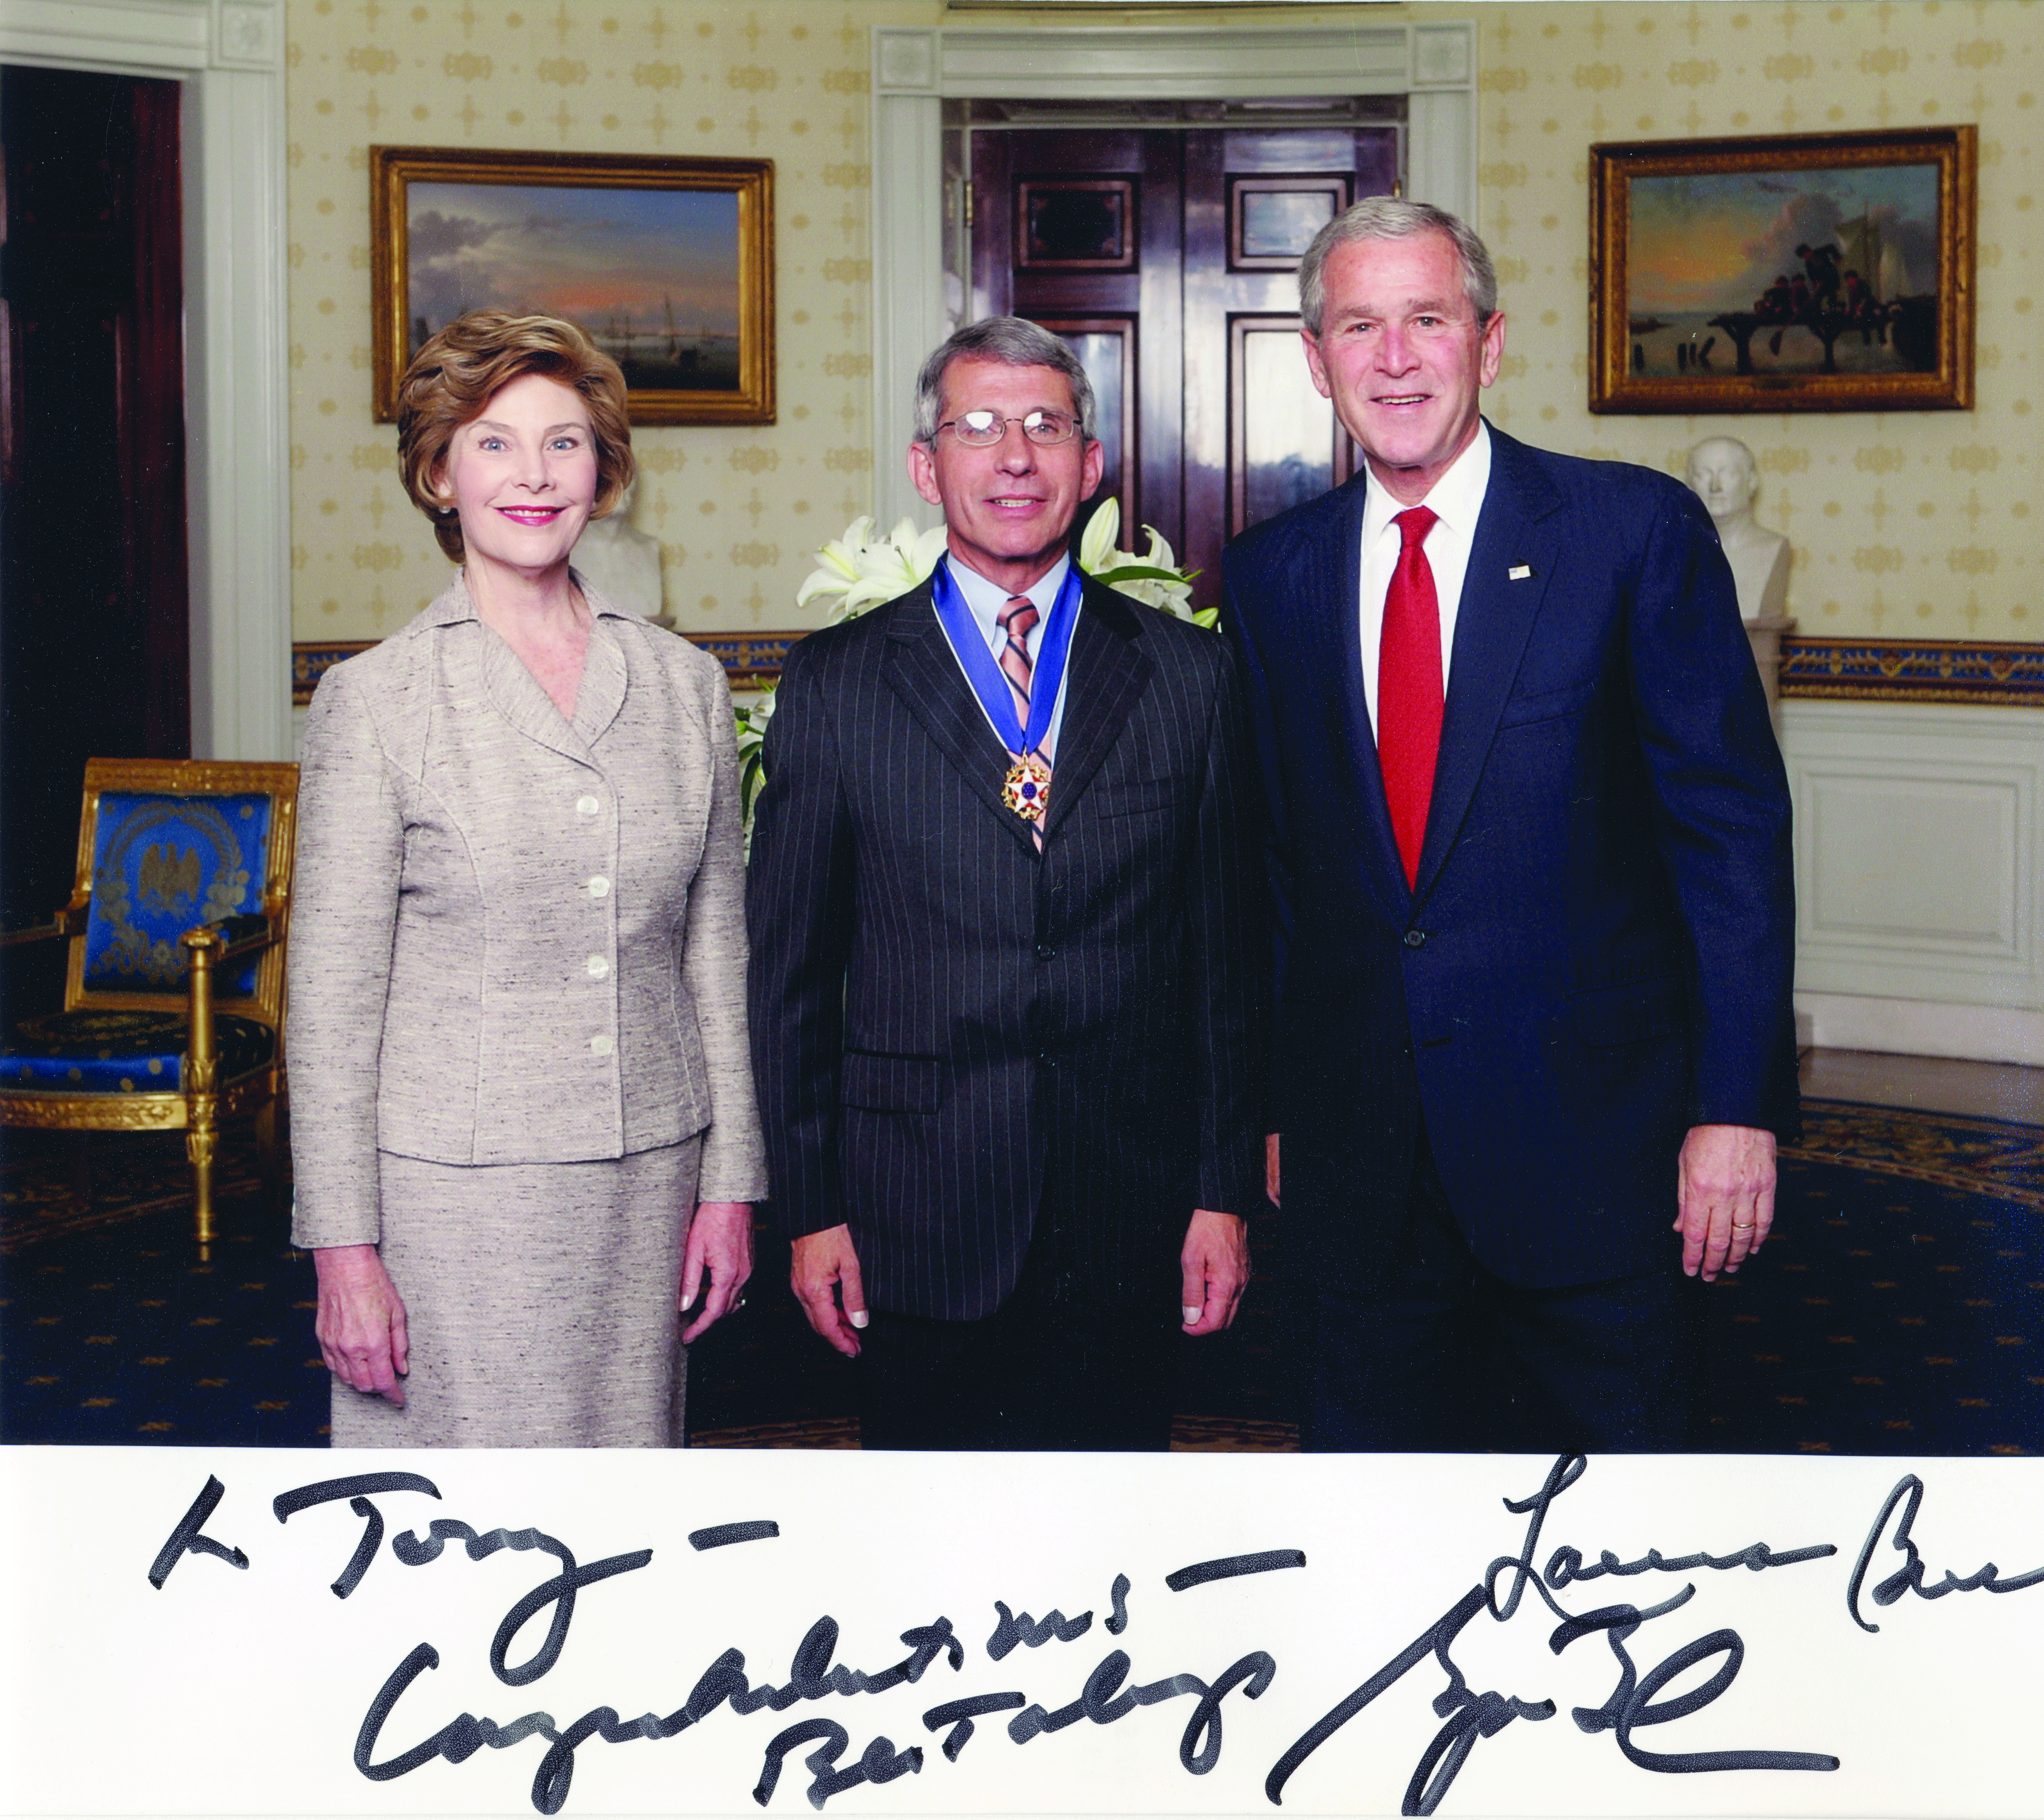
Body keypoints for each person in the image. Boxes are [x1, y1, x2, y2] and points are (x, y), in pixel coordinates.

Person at [1222, 199, 1797, 1454]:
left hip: (1594, 1162)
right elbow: (1273, 870)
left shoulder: (1627, 535)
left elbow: (1728, 842)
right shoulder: (1268, 576)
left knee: (1617, 1561)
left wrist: (1735, 1108)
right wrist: (1274, 1110)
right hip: (1357, 1172)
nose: (1391, 357)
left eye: (1424, 320)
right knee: (1374, 1551)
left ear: (1486, 345)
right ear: (1315, 363)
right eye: (1356, 327)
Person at [746, 317, 1265, 1451]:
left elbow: (1227, 960)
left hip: (1129, 1203)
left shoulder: (1191, 675)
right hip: (911, 1208)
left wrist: (1220, 1189)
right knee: (929, 1560)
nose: (1014, 456)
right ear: (928, 468)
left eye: (1045, 426)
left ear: (1090, 466)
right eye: (977, 428)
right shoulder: (838, 682)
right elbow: (788, 974)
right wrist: (811, 1205)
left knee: (1119, 1553)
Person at [287, 310, 765, 1447]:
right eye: (495, 442)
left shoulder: (684, 683)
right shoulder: (378, 700)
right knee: (456, 1533)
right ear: (439, 474)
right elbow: (331, 1006)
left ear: (602, 473)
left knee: (624, 1521)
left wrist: (732, 1181)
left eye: (565, 442)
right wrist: (344, 1252)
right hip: (453, 1197)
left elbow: (716, 955)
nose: (534, 475)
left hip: (651, 1176)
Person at [1686, 436, 1793, 622]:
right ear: (1689, 485)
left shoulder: (1773, 548)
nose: (1715, 487)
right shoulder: (1673, 552)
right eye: (1703, 474)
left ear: (1752, 482)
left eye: (1729, 474)